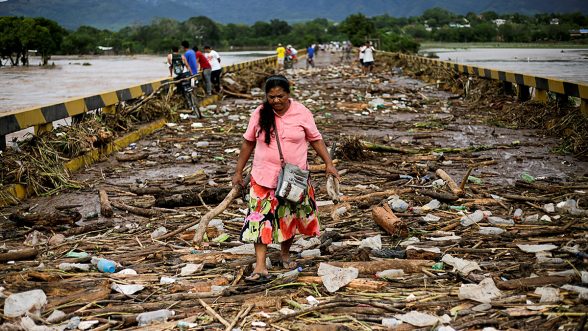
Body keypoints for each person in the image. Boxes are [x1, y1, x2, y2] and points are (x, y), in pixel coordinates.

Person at [232, 75, 339, 283]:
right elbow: (248, 143)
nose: (276, 101)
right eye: (271, 97)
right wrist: (238, 171)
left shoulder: (302, 112)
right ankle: (261, 266)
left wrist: (329, 164)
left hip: (293, 178)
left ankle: (285, 254)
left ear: (288, 94)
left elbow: (316, 139)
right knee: (259, 220)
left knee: (288, 217)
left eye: (280, 96)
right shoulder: (260, 113)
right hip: (263, 177)